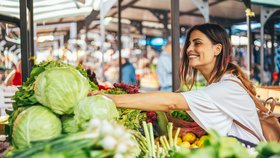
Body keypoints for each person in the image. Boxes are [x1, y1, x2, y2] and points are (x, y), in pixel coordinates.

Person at [90, 23, 265, 145]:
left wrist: (108, 98)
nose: (189, 49)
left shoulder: (225, 87)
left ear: (217, 49)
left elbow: (171, 102)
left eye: (197, 43)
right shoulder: (223, 83)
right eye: (188, 44)